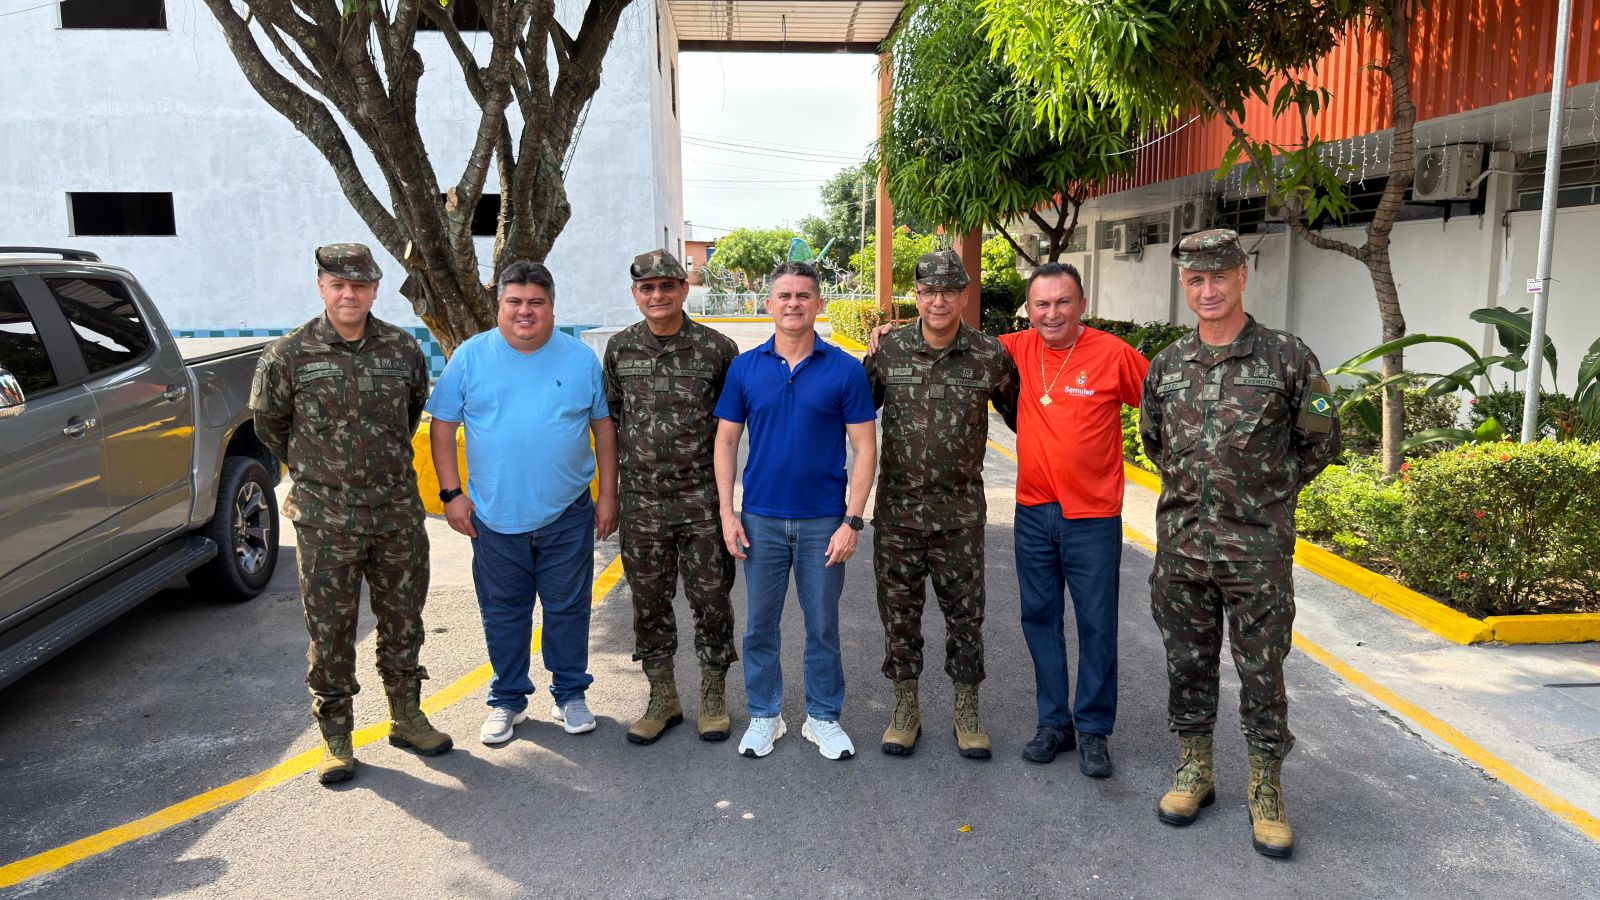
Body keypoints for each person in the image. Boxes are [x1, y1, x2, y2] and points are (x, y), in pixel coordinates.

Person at [1140, 228, 1339, 858]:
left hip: (1256, 551)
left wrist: (1264, 497)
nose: (1208, 290)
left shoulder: (1287, 357)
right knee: (1188, 662)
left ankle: (1266, 785)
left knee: (1262, 669)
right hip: (1182, 546)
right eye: (1196, 280)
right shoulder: (1168, 366)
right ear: (1184, 284)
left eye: (1219, 277)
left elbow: (1322, 442)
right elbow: (1154, 443)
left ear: (1242, 275)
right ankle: (1196, 769)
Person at [251, 243, 451, 785]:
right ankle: (336, 736)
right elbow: (269, 425)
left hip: (395, 514)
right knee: (332, 631)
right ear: (321, 286)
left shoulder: (402, 348)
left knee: (403, 621)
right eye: (338, 284)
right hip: (325, 519)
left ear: (375, 288)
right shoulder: (289, 354)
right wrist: (322, 471)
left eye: (359, 284)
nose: (349, 294)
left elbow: (410, 414)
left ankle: (406, 716)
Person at [427, 261, 619, 747]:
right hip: (494, 518)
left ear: (552, 306)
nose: (525, 311)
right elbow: (443, 426)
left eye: (536, 302)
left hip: (567, 513)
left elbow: (603, 429)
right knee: (504, 613)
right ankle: (507, 700)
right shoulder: (471, 357)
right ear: (500, 307)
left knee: (568, 609)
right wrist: (452, 494)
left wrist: (607, 496)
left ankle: (570, 694)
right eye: (514, 302)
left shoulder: (579, 360)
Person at [713, 261, 877, 761]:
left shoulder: (845, 369)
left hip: (823, 521)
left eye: (803, 295)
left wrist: (852, 520)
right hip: (760, 518)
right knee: (760, 625)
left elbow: (865, 448)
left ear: (818, 304)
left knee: (822, 625)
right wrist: (727, 511)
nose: (793, 304)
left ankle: (823, 718)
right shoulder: (745, 367)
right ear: (769, 305)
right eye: (783, 295)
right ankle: (766, 715)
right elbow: (725, 440)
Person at [864, 249, 1018, 759]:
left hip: (960, 516)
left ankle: (966, 707)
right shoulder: (888, 352)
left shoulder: (989, 355)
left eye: (949, 291)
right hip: (898, 515)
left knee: (965, 615)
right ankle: (905, 707)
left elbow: (1026, 420)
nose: (938, 300)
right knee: (899, 614)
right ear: (916, 295)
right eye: (928, 291)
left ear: (964, 295)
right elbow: (856, 415)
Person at [1000, 262, 1149, 778]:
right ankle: (1053, 723)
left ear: (1081, 304)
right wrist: (893, 330)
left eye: (1062, 302)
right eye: (1041, 304)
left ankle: (1092, 730)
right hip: (1033, 511)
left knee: (1096, 624)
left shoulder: (1113, 354)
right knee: (1039, 619)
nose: (1052, 313)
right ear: (1029, 309)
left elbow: (1165, 403)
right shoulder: (1014, 348)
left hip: (1093, 517)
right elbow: (948, 336)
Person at [603, 249, 740, 745]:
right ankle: (663, 696)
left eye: (667, 286)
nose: (657, 295)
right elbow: (612, 424)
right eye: (647, 288)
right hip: (641, 501)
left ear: (684, 289)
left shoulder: (717, 349)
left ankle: (712, 691)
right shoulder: (619, 349)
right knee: (649, 601)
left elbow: (733, 426)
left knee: (711, 598)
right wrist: (611, 496)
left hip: (700, 498)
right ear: (636, 294)